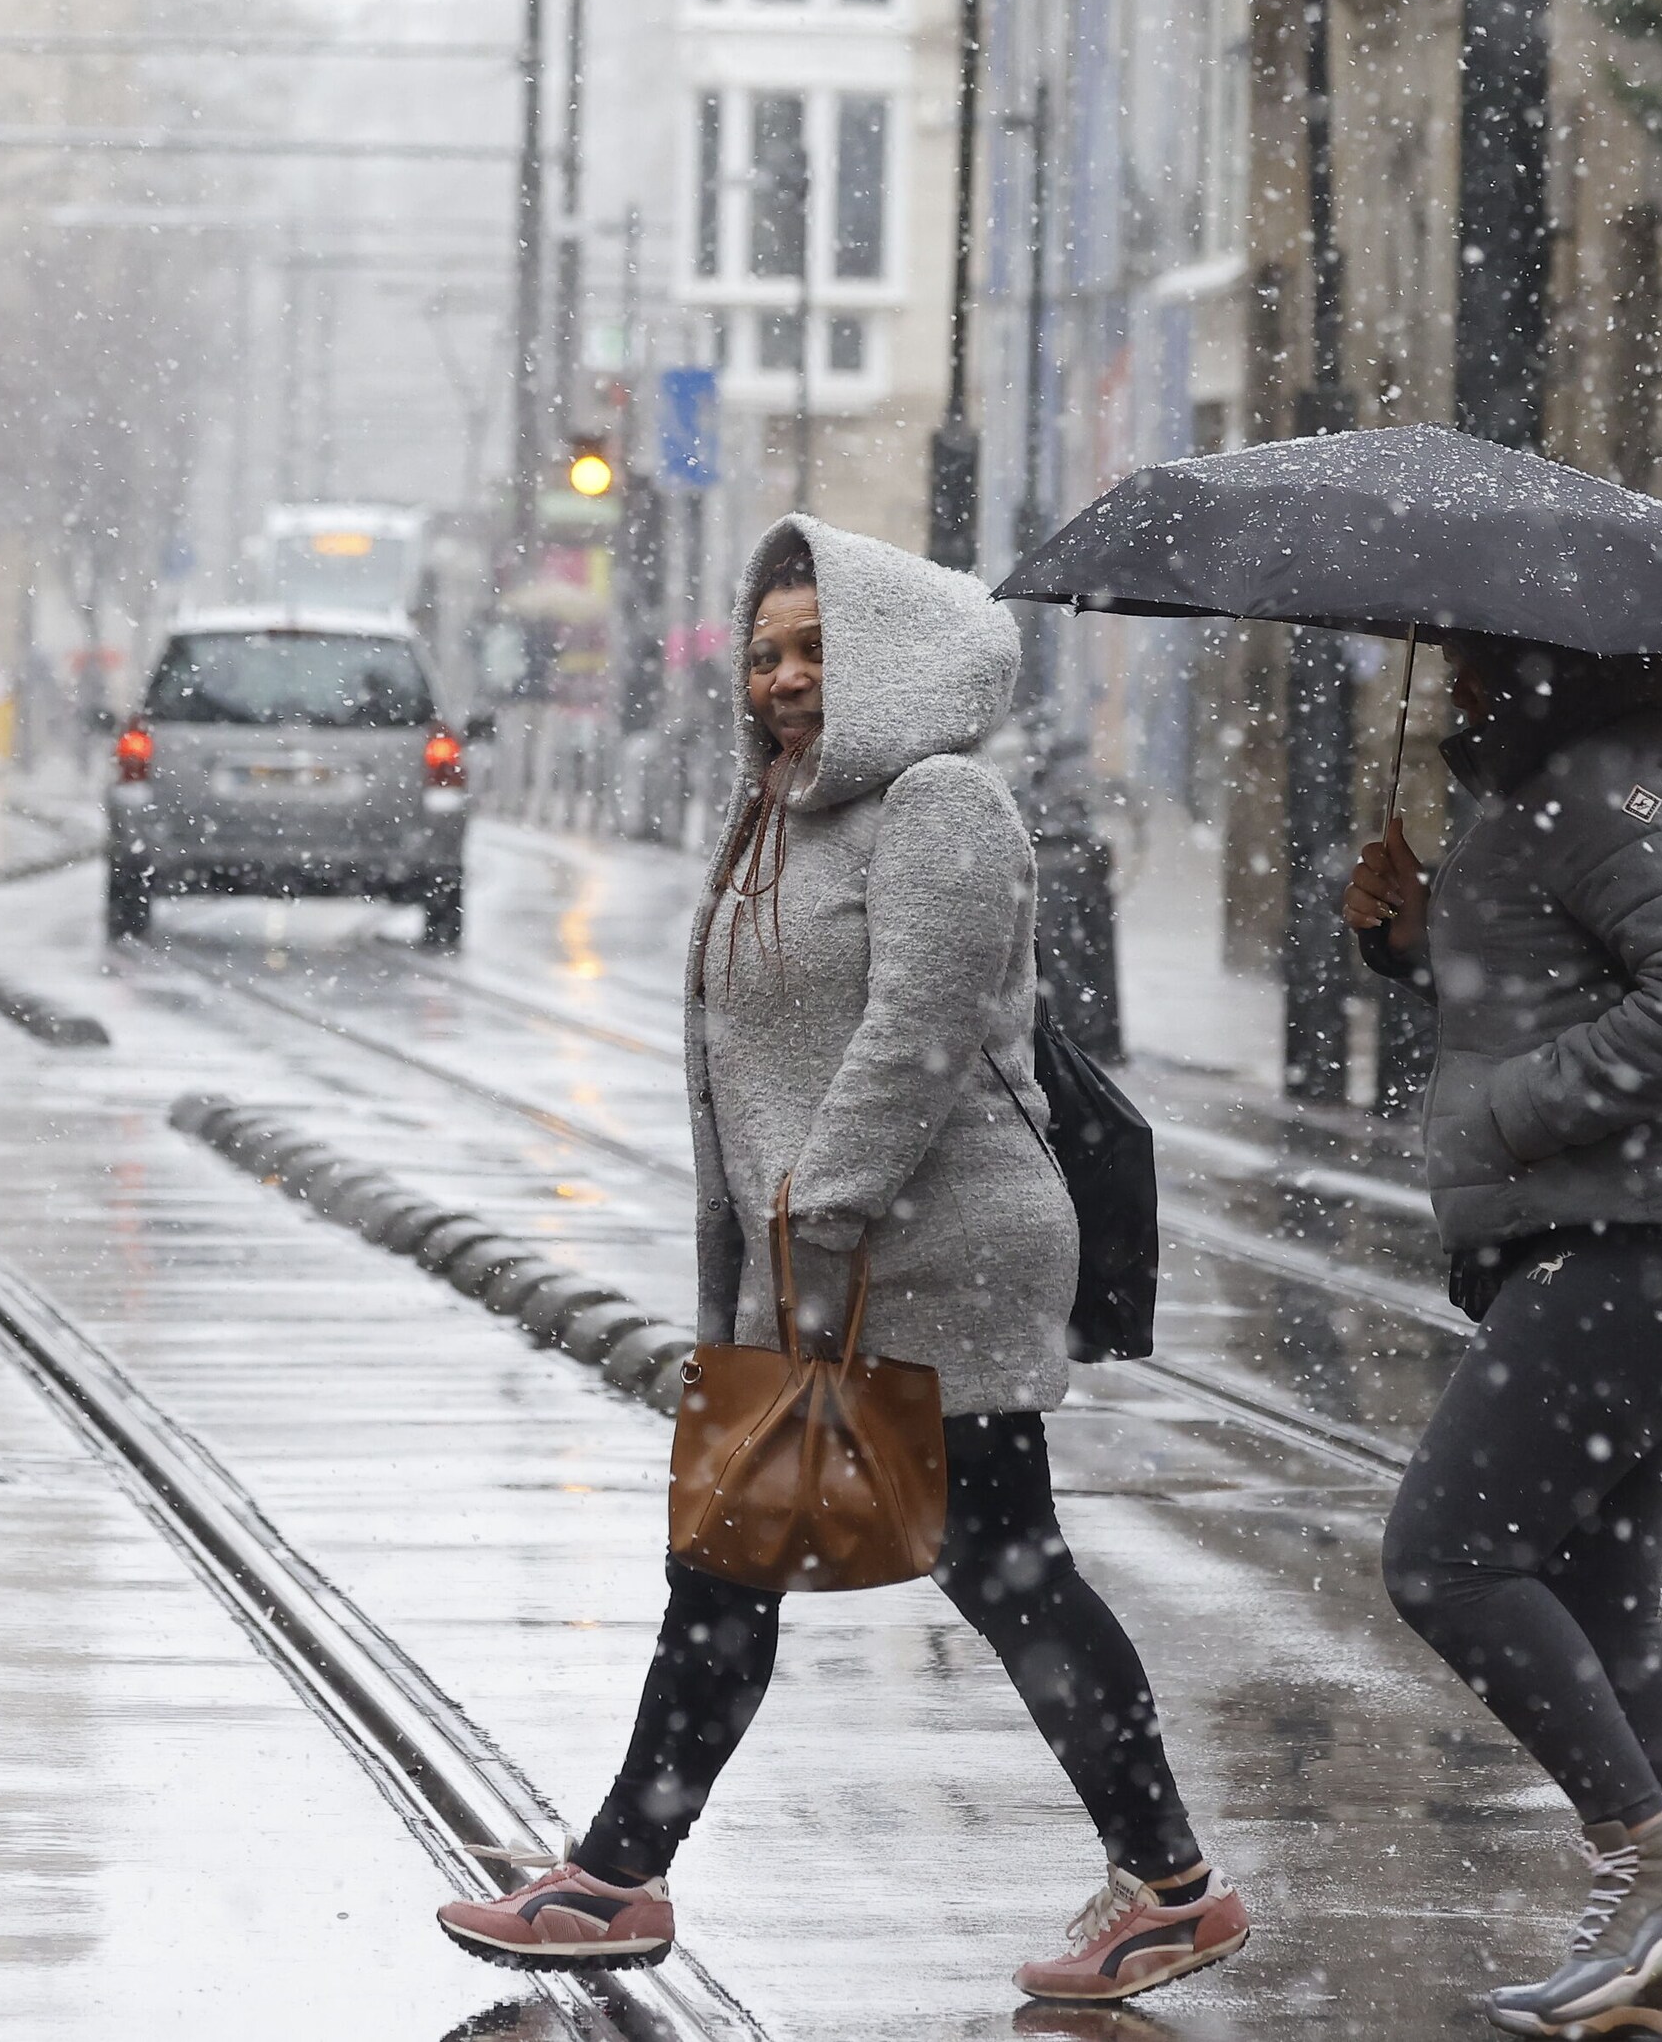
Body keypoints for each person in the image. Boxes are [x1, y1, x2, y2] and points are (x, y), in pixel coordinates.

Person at [437, 518, 1251, 2007]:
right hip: (834, 1255)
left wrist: (818, 1205)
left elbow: (920, 1035)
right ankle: (1166, 1879)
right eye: (766, 653)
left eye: (815, 648)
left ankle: (622, 1875)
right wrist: (769, 1242)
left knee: (769, 1565)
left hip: (930, 1251)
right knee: (967, 1570)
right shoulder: (780, 814)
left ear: (880, 651)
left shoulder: (938, 802)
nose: (787, 677)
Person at [1344, 629, 1662, 2042]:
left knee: (1447, 1555)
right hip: (1640, 1236)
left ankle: (1653, 1860)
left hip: (1640, 1239)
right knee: (1604, 1601)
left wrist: (1511, 1112)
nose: (1453, 668)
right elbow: (1562, 976)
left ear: (1542, 650)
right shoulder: (1557, 780)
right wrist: (1414, 942)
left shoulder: (1606, 781)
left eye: (1475, 648)